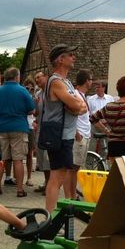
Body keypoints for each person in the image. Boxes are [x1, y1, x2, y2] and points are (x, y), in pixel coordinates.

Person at [42, 44, 87, 210]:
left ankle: (51, 215)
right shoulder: (56, 82)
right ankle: (50, 217)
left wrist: (77, 106)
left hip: (65, 134)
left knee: (60, 175)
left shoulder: (66, 82)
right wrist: (77, 106)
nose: (73, 57)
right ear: (60, 59)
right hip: (58, 135)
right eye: (70, 55)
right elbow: (77, 107)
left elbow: (82, 106)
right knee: (57, 177)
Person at [0, 67, 35, 198]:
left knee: (0, 159)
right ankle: (20, 189)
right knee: (18, 159)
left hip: (1, 128)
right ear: (17, 77)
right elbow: (31, 110)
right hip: (19, 128)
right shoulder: (23, 91)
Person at [89, 76, 125, 164]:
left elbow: (93, 118)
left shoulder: (109, 106)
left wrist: (107, 131)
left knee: (116, 175)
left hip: (113, 146)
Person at [73, 69, 93, 194]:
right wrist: (77, 133)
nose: (92, 83)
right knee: (73, 167)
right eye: (91, 80)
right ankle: (72, 192)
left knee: (77, 166)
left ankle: (73, 190)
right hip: (79, 135)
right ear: (86, 81)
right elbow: (72, 115)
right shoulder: (75, 94)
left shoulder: (82, 95)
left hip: (85, 134)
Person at [33, 71, 50, 194]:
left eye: (39, 77)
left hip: (50, 128)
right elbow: (36, 113)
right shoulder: (38, 93)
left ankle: (50, 184)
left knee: (48, 157)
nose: (37, 80)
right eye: (35, 78)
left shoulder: (51, 92)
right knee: (41, 157)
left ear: (46, 77)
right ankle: (46, 182)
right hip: (40, 127)